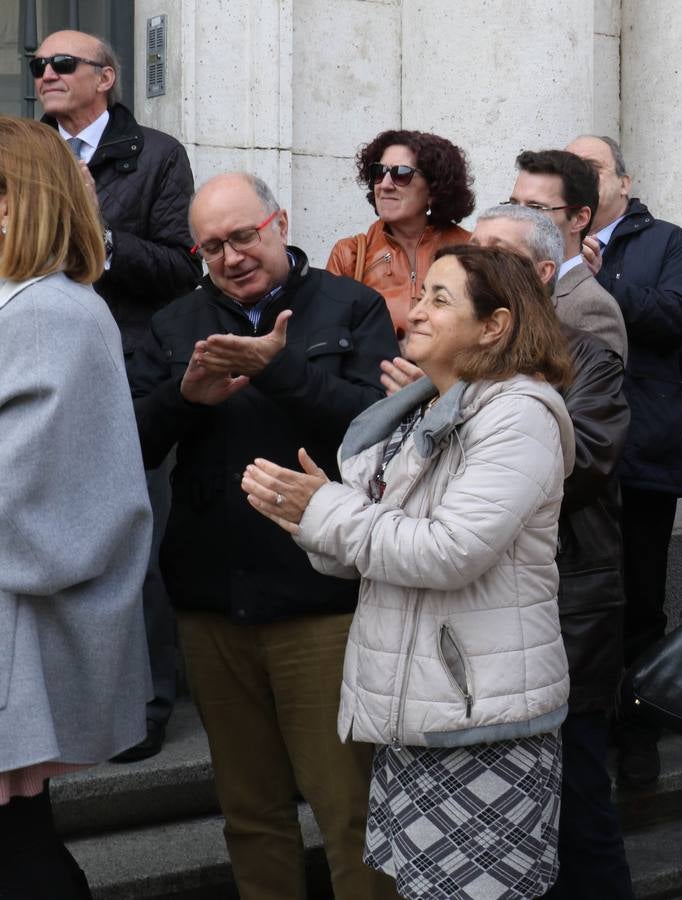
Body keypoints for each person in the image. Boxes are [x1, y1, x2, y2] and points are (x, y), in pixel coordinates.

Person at [242, 244, 575, 900]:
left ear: (494, 326)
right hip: (418, 709)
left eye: (439, 299)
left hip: (480, 720)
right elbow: (376, 546)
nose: (414, 311)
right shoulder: (423, 411)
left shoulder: (518, 414)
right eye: (420, 295)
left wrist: (329, 511)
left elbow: (448, 552)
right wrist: (311, 520)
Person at [127, 172, 400, 900]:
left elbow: (378, 435)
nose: (231, 256)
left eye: (243, 236)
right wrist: (183, 398)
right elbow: (129, 446)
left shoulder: (352, 305)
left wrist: (279, 372)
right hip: (212, 602)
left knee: (351, 813)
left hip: (319, 603)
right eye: (211, 246)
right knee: (250, 814)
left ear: (279, 223)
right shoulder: (174, 323)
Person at [36, 28, 202, 762]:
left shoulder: (157, 154)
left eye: (62, 64)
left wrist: (95, 232)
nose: (46, 74)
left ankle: (145, 699)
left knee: (136, 538)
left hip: (130, 372)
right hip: (36, 366)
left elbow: (178, 269)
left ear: (105, 77)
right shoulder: (26, 153)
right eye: (37, 64)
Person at [0, 115, 152, 900]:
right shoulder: (31, 306)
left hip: (19, 623)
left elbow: (21, 489)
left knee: (18, 849)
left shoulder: (44, 312)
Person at [468, 204, 636, 897]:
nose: (475, 267)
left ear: (542, 274)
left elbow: (584, 463)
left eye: (496, 255)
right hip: (478, 615)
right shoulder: (448, 360)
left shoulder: (586, 357)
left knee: (576, 812)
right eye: (470, 251)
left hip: (566, 611)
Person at [566, 133, 682, 786]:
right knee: (582, 601)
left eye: (592, 167)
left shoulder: (666, 241)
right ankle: (589, 723)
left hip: (642, 452)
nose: (582, 180)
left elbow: (678, 316)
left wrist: (598, 282)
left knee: (642, 602)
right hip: (572, 460)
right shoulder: (551, 236)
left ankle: (640, 729)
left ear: (623, 180)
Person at [326, 129, 474, 341]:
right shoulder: (350, 255)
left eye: (401, 174)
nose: (385, 185)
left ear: (433, 189)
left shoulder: (471, 249)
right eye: (379, 172)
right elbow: (330, 340)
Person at [509, 148, 627, 359]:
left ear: (580, 219)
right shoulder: (504, 285)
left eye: (536, 207)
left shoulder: (593, 309)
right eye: (514, 204)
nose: (516, 218)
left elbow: (592, 390)